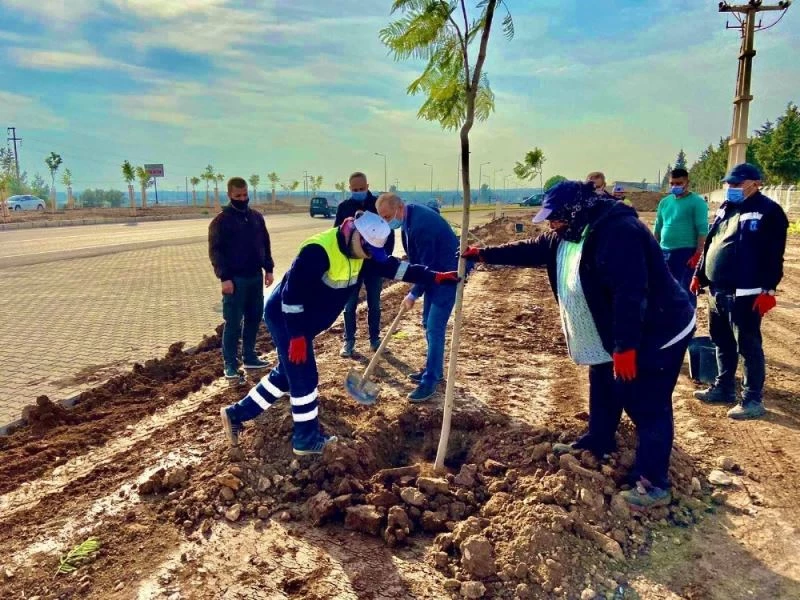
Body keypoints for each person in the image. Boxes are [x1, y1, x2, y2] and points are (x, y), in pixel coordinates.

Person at [462, 181, 695, 508]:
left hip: (658, 329)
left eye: (555, 217)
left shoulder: (619, 232)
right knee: (603, 383)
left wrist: (626, 347)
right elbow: (532, 248)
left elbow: (630, 293)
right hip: (612, 331)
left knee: (646, 402)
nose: (551, 224)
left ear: (575, 211)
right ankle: (598, 440)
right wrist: (484, 254)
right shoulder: (569, 232)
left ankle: (653, 482)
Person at [219, 211, 459, 454]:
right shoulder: (317, 251)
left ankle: (236, 414)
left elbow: (395, 268)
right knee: (304, 377)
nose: (369, 258)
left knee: (286, 375)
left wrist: (434, 276)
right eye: (367, 251)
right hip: (287, 318)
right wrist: (297, 336)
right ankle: (306, 440)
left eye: (372, 254)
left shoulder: (365, 251)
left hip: (305, 322)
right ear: (356, 234)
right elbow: (291, 297)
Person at [691, 163, 788, 419]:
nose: (731, 188)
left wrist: (768, 290)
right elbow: (711, 242)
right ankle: (724, 388)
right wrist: (699, 274)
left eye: (737, 183)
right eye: (729, 183)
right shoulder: (727, 208)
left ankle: (752, 399)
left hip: (746, 292)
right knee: (722, 341)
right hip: (717, 290)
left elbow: (774, 255)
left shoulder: (769, 211)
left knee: (748, 346)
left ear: (755, 183)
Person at [376, 193, 459, 403]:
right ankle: (434, 370)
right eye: (382, 218)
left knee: (434, 326)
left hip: (448, 275)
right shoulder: (409, 216)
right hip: (435, 275)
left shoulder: (421, 225)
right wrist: (416, 289)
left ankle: (430, 381)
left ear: (399, 207)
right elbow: (421, 265)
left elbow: (427, 266)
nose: (386, 222)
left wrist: (414, 293)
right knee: (427, 322)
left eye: (387, 217)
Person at [208, 177, 274, 379]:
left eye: (245, 195)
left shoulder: (256, 218)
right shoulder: (221, 222)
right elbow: (216, 252)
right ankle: (230, 364)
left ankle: (250, 357)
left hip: (255, 277)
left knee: (254, 318)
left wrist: (269, 269)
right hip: (235, 281)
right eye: (238, 196)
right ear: (229, 195)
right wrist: (224, 278)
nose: (243, 199)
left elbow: (265, 243)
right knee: (233, 322)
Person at [334, 172, 395, 357]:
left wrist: (385, 258)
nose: (358, 191)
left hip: (374, 266)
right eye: (355, 189)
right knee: (349, 305)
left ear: (368, 186)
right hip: (352, 266)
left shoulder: (377, 205)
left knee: (374, 304)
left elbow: (388, 232)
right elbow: (337, 235)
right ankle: (349, 341)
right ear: (350, 188)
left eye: (361, 188)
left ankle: (375, 340)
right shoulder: (344, 207)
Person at [654, 168, 709, 300]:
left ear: (687, 183)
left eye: (679, 183)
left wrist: (698, 254)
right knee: (665, 291)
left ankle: (688, 313)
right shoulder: (664, 202)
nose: (675, 186)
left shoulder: (697, 202)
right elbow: (658, 227)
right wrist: (654, 250)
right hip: (664, 252)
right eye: (672, 183)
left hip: (685, 254)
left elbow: (702, 230)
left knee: (684, 292)